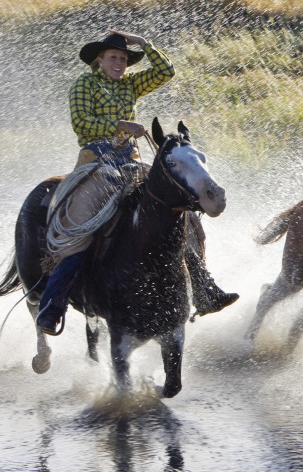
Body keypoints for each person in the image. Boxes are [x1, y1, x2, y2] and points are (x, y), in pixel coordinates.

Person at [35, 30, 237, 335]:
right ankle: (52, 306)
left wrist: (143, 44)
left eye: (124, 59)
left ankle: (204, 288)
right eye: (113, 57)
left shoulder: (131, 83)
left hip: (131, 161)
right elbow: (81, 123)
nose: (119, 62)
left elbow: (165, 72)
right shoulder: (84, 84)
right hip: (95, 162)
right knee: (82, 230)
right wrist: (119, 125)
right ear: (99, 60)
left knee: (176, 209)